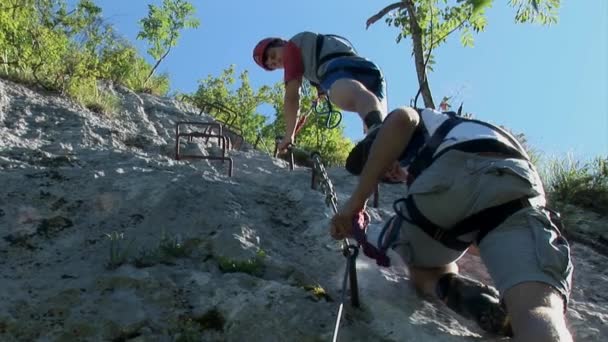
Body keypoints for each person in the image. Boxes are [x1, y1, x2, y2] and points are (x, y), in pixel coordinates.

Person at [330, 106, 574, 341]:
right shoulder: (479, 130)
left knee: (420, 265)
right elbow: (484, 227)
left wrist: (354, 203)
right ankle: (460, 289)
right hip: (516, 185)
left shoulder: (426, 119)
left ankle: (443, 283)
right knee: (538, 310)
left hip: (451, 173)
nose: (390, 173)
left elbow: (402, 120)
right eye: (387, 178)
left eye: (389, 166)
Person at [252, 32, 387, 151]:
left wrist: (289, 135)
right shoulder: (309, 49)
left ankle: (376, 129)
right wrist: (320, 90)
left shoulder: (290, 48)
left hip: (340, 69)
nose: (274, 61)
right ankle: (384, 140)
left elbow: (292, 97)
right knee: (376, 121)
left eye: (273, 55)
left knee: (338, 94)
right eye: (273, 65)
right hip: (369, 71)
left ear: (281, 43)